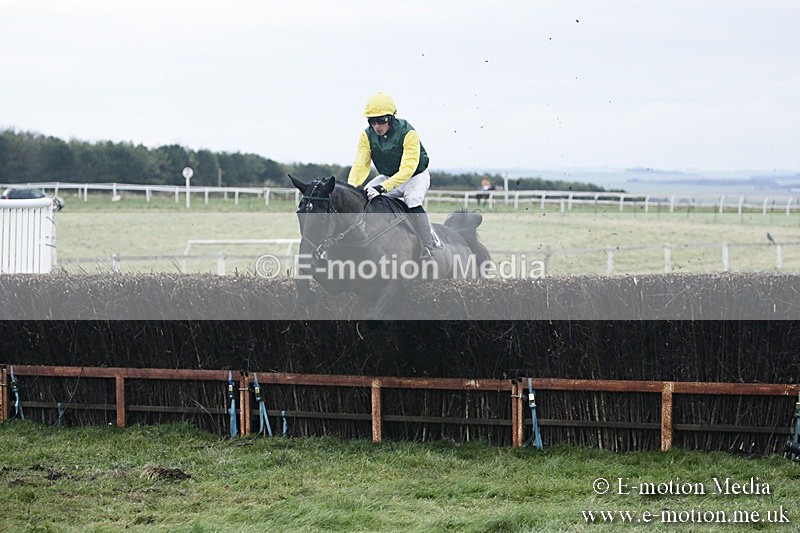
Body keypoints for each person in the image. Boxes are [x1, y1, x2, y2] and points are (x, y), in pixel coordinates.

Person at [347, 91, 441, 257]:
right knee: (363, 198)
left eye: (381, 120)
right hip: (389, 176)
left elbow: (407, 169)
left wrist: (383, 188)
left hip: (415, 176)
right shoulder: (366, 135)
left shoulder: (408, 132)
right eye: (372, 121)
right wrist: (351, 188)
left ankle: (429, 245)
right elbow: (360, 165)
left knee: (412, 201)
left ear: (391, 118)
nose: (377, 126)